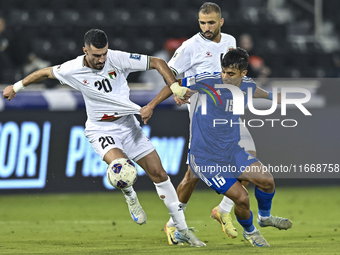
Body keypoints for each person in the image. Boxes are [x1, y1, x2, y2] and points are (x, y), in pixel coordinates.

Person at [2, 29, 205, 247]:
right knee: (121, 167)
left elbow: (157, 62)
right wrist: (16, 87)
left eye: (103, 54)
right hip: (101, 130)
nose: (101, 60)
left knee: (159, 173)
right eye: (96, 55)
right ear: (85, 51)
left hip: (128, 126)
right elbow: (43, 72)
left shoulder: (117, 59)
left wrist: (175, 87)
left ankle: (181, 228)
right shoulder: (72, 69)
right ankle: (130, 195)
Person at [142, 47, 292, 247]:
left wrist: (275, 97)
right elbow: (174, 84)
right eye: (223, 71)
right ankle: (251, 232)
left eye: (231, 74)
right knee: (242, 197)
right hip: (205, 157)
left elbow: (257, 91)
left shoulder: (247, 84)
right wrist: (151, 105)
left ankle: (264, 218)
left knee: (267, 181)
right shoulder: (208, 81)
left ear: (243, 73)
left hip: (232, 150)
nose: (225, 77)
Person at [147, 2, 253, 244]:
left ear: (221, 22)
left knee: (248, 162)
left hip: (228, 114)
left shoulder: (230, 41)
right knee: (193, 174)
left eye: (211, 23)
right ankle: (174, 224)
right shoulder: (190, 47)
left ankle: (223, 210)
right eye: (203, 23)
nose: (207, 27)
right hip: (203, 119)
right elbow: (168, 73)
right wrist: (166, 95)